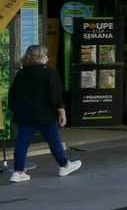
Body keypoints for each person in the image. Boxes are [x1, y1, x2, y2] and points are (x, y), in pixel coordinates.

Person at [7, 45, 82, 182]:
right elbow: (55, 95)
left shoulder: (20, 74)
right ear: (40, 57)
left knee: (22, 143)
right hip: (45, 115)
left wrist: (15, 111)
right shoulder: (49, 72)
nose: (48, 57)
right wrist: (62, 111)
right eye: (45, 55)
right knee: (54, 142)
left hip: (25, 115)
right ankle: (64, 165)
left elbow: (12, 96)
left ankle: (18, 172)